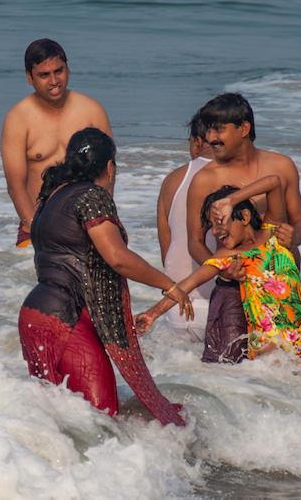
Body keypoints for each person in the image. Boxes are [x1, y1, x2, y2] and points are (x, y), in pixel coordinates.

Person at [19, 128, 191, 426]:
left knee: (58, 419)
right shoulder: (91, 196)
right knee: (102, 419)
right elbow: (118, 258)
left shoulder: (50, 197)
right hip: (68, 318)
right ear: (110, 167)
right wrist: (170, 286)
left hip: (34, 317)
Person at [136, 176, 301, 361]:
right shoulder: (227, 256)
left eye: (219, 222)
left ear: (244, 216)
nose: (215, 231)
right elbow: (187, 284)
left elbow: (275, 182)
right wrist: (152, 314)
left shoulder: (273, 232)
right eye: (211, 226)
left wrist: (231, 200)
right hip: (268, 349)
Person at [186, 93, 301, 363]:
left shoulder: (282, 166)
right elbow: (194, 241)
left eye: (218, 129)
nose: (210, 138)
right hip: (235, 288)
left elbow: (300, 222)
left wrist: (294, 236)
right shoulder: (204, 180)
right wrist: (223, 269)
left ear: (244, 128)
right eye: (207, 130)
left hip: (279, 284)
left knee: (291, 367)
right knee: (230, 369)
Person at [1, 39, 112, 248]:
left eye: (58, 71)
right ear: (29, 78)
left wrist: (104, 219)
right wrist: (35, 228)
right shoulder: (17, 119)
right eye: (44, 75)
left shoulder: (91, 111)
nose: (54, 81)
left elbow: (108, 173)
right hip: (37, 222)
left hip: (88, 223)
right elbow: (15, 185)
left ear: (68, 69)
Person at [156, 113, 215, 339]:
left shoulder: (172, 180)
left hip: (178, 306)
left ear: (197, 142)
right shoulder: (239, 176)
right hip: (224, 306)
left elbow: (166, 249)